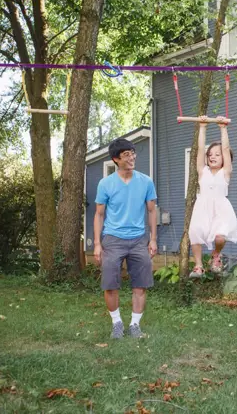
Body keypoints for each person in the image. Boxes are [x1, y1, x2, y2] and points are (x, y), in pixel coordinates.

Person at [93, 138, 157, 339]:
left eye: (133, 153)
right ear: (116, 159)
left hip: (139, 239)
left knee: (141, 284)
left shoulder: (146, 181)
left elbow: (152, 211)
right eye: (126, 154)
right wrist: (96, 243)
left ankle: (135, 325)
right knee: (110, 283)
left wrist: (153, 239)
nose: (132, 157)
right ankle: (117, 324)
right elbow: (99, 214)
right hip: (112, 240)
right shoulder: (106, 183)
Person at [189, 115, 237, 278]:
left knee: (220, 237)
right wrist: (202, 127)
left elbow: (225, 148)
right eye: (211, 154)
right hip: (202, 207)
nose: (212, 156)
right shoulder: (203, 171)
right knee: (195, 232)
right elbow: (200, 149)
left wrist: (223, 128)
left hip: (221, 209)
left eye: (217, 154)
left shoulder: (226, 172)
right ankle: (198, 266)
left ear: (225, 158)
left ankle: (216, 255)